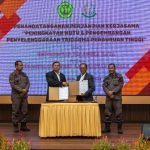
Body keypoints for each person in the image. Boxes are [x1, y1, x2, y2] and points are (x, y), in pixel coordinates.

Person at [9, 60, 30, 133]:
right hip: (16, 96)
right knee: (16, 111)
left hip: (24, 95)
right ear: (16, 66)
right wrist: (21, 90)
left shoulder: (24, 74)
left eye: (22, 65)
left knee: (25, 111)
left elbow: (28, 83)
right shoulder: (12, 74)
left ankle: (23, 126)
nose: (22, 66)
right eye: (20, 65)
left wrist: (26, 89)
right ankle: (15, 126)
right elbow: (13, 85)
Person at [102, 63, 124, 134]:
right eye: (109, 68)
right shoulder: (106, 77)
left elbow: (120, 85)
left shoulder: (119, 76)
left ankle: (119, 129)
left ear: (115, 68)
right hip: (109, 98)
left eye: (112, 68)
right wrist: (108, 92)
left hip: (117, 98)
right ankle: (107, 128)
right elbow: (104, 86)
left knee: (118, 113)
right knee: (107, 114)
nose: (110, 69)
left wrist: (113, 92)